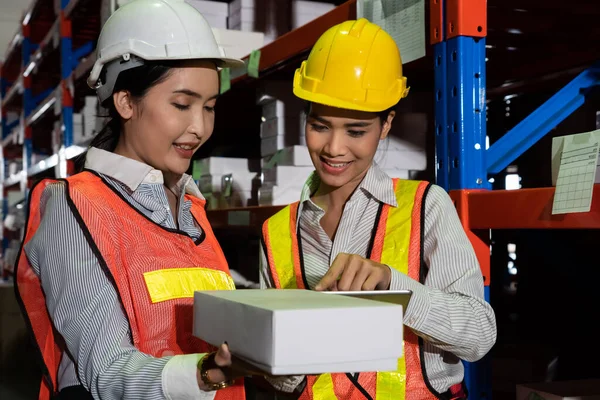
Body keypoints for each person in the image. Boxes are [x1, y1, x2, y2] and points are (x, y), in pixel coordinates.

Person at [14, 0, 253, 398]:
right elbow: (105, 370)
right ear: (125, 102)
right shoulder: (74, 206)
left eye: (210, 107)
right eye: (181, 104)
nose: (199, 127)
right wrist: (207, 373)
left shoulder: (190, 206)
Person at [259, 18, 497, 399]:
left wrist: (392, 285)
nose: (334, 148)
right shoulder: (276, 232)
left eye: (356, 131)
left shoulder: (424, 206)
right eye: (320, 126)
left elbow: (479, 336)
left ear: (386, 125)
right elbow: (281, 377)